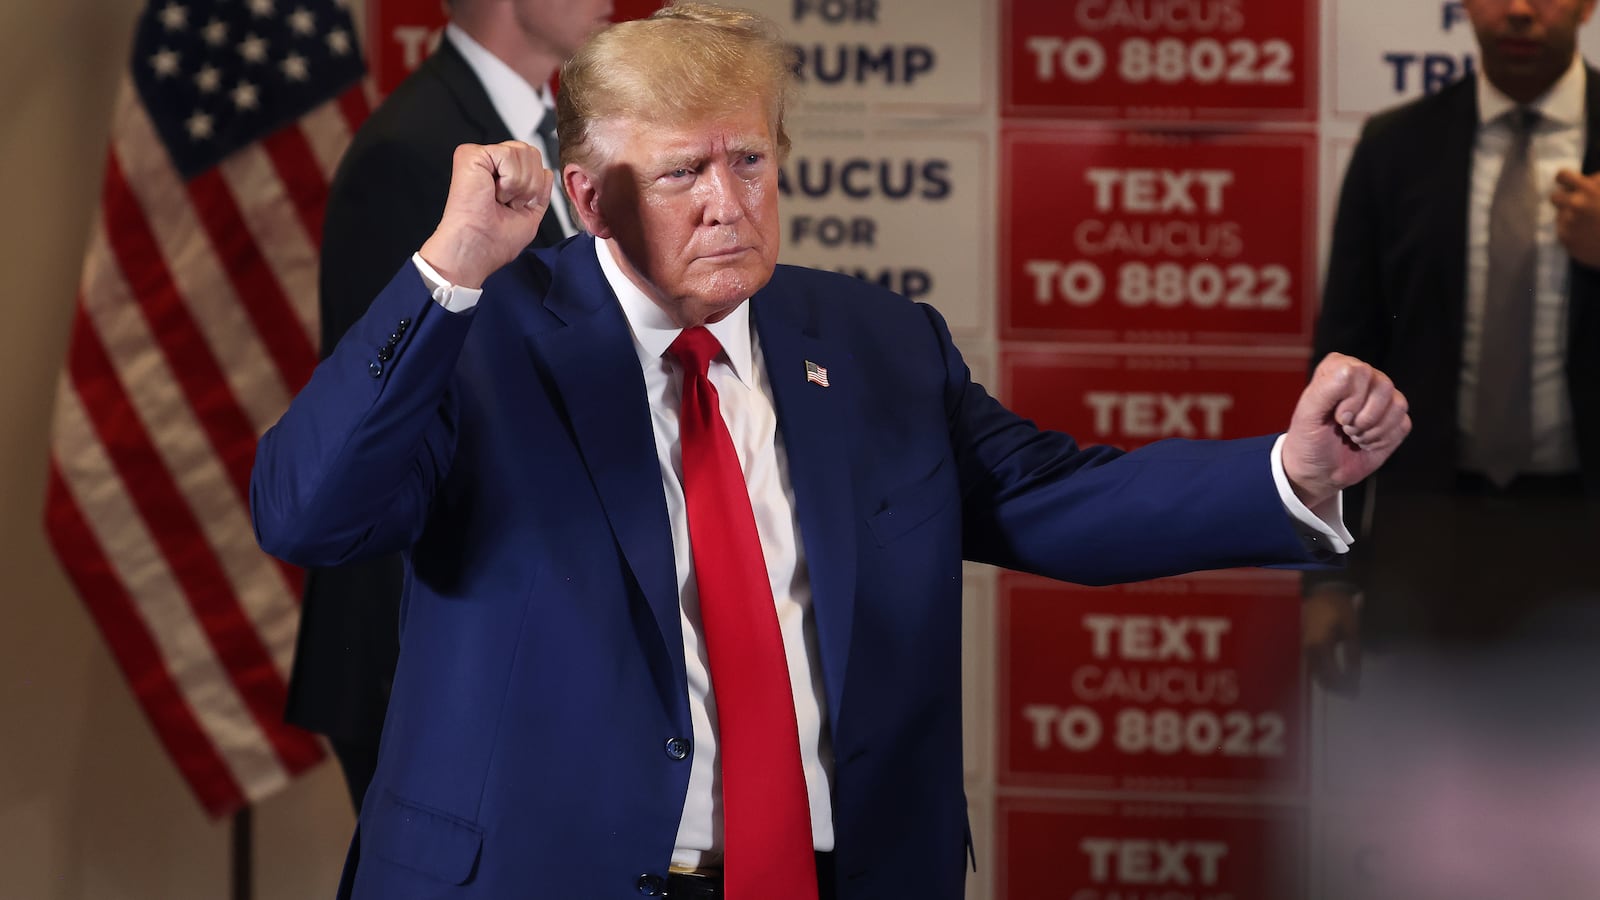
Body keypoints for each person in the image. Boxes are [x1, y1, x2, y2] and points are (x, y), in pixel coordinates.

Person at [252, 4, 1410, 897]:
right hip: (531, 871)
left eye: (748, 161)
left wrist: (1290, 474)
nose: (728, 204)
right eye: (680, 173)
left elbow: (1051, 497)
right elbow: (309, 515)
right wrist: (449, 270)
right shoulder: (484, 335)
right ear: (589, 200)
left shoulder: (876, 344)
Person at [287, 0, 611, 811]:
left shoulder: (557, 132)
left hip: (534, 627)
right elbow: (381, 417)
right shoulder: (410, 149)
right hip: (428, 647)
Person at [1305, 0, 1600, 691]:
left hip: (1589, 534)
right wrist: (1326, 577)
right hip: (1429, 541)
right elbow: (1342, 371)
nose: (1522, 10)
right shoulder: (1393, 147)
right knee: (1433, 790)